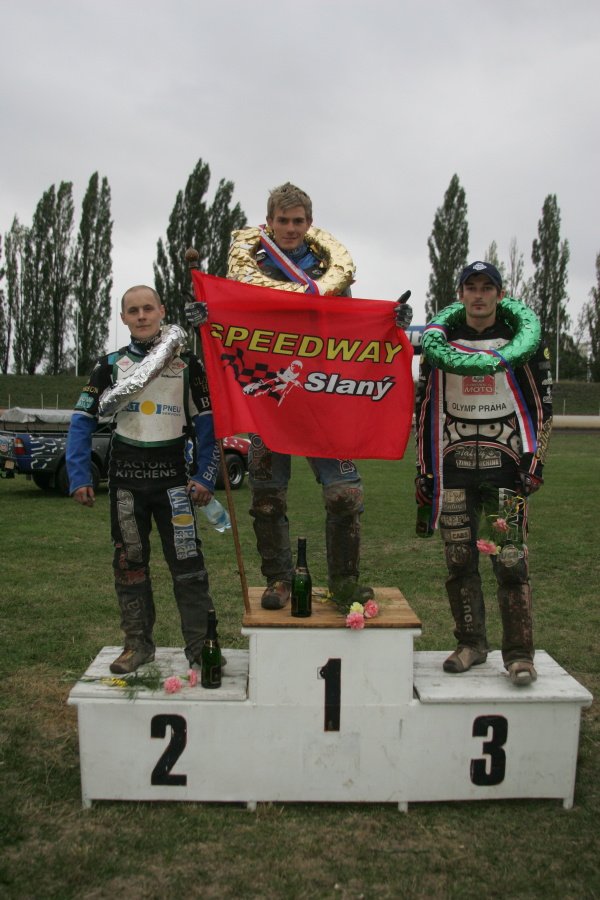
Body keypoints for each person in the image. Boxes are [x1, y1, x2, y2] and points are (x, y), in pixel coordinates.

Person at [187, 181, 412, 610]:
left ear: (310, 223)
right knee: (266, 499)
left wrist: (391, 321)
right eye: (282, 220)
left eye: (297, 221)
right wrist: (205, 316)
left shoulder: (329, 271)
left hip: (322, 398)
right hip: (269, 401)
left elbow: (352, 325)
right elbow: (230, 324)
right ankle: (279, 580)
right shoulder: (249, 269)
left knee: (344, 495)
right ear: (268, 222)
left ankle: (344, 584)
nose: (290, 228)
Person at [67, 285, 222, 674]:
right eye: (133, 310)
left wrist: (206, 475)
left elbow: (209, 426)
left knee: (189, 566)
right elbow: (81, 421)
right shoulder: (108, 365)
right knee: (129, 563)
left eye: (148, 308)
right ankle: (137, 644)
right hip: (126, 483)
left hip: (175, 484)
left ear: (161, 311)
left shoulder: (189, 365)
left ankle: (200, 648)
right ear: (123, 318)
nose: (141, 316)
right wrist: (79, 474)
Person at [415, 261, 552, 686]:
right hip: (454, 467)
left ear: (500, 294)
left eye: (486, 287)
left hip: (505, 469)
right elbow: (423, 409)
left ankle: (519, 656)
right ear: (460, 295)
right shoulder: (440, 343)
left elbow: (542, 408)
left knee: (510, 563)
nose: (478, 295)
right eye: (471, 287)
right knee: (459, 561)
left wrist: (535, 461)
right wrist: (425, 470)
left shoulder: (522, 341)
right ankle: (471, 644)